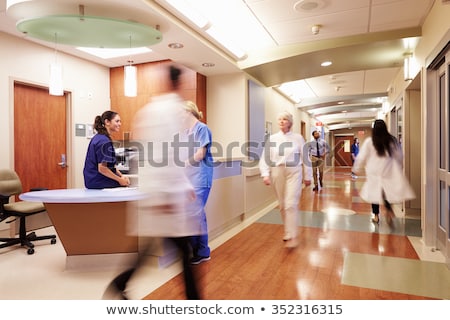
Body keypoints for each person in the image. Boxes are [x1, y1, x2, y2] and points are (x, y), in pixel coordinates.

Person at [105, 65, 202, 299]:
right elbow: (160, 156)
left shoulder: (150, 111)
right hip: (162, 197)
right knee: (182, 250)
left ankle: (120, 283)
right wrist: (165, 196)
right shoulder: (166, 112)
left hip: (161, 194)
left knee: (160, 246)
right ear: (177, 84)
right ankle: (195, 301)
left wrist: (184, 186)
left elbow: (168, 155)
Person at [259, 111, 311, 248]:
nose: (282, 121)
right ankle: (288, 231)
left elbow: (306, 158)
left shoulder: (298, 138)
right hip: (278, 171)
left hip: (294, 171)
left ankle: (292, 234)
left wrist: (308, 176)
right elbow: (265, 158)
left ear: (290, 123)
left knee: (290, 203)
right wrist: (265, 174)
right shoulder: (272, 139)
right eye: (280, 119)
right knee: (282, 205)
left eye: (285, 119)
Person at [352, 119, 415, 225]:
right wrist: (399, 167)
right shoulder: (392, 140)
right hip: (388, 170)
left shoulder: (370, 141)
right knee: (386, 191)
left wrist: (355, 169)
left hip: (374, 171)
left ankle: (376, 216)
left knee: (374, 194)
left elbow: (361, 157)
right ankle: (389, 209)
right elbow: (399, 155)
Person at [180, 100, 214, 265]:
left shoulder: (202, 128)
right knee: (196, 214)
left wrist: (185, 162)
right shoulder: (186, 132)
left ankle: (199, 251)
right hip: (190, 179)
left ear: (188, 112)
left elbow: (200, 154)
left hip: (201, 177)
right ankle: (201, 250)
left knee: (194, 214)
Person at [83, 110, 130, 189]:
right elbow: (102, 168)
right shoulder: (104, 141)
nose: (120, 124)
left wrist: (122, 176)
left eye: (120, 121)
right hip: (99, 182)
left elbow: (110, 167)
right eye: (117, 121)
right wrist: (120, 180)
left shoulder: (99, 138)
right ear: (107, 122)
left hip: (92, 181)